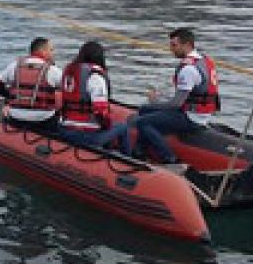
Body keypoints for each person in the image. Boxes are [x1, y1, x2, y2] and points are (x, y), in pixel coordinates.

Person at [131, 27, 220, 167]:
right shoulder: (204, 60)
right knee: (144, 109)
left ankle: (170, 159)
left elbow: (176, 104)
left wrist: (155, 101)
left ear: (187, 45)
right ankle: (139, 151)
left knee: (142, 122)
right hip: (200, 112)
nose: (171, 49)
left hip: (191, 118)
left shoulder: (188, 70)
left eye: (174, 45)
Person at [55, 41, 132, 153]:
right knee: (123, 127)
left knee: (107, 128)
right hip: (85, 135)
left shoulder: (70, 71)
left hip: (64, 130)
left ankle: (106, 151)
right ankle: (126, 158)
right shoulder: (95, 76)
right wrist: (107, 126)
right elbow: (100, 112)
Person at [0, 37, 63, 136]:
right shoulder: (53, 70)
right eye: (51, 50)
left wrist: (10, 97)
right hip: (44, 120)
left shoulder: (14, 66)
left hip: (16, 118)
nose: (53, 53)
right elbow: (68, 91)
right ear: (42, 51)